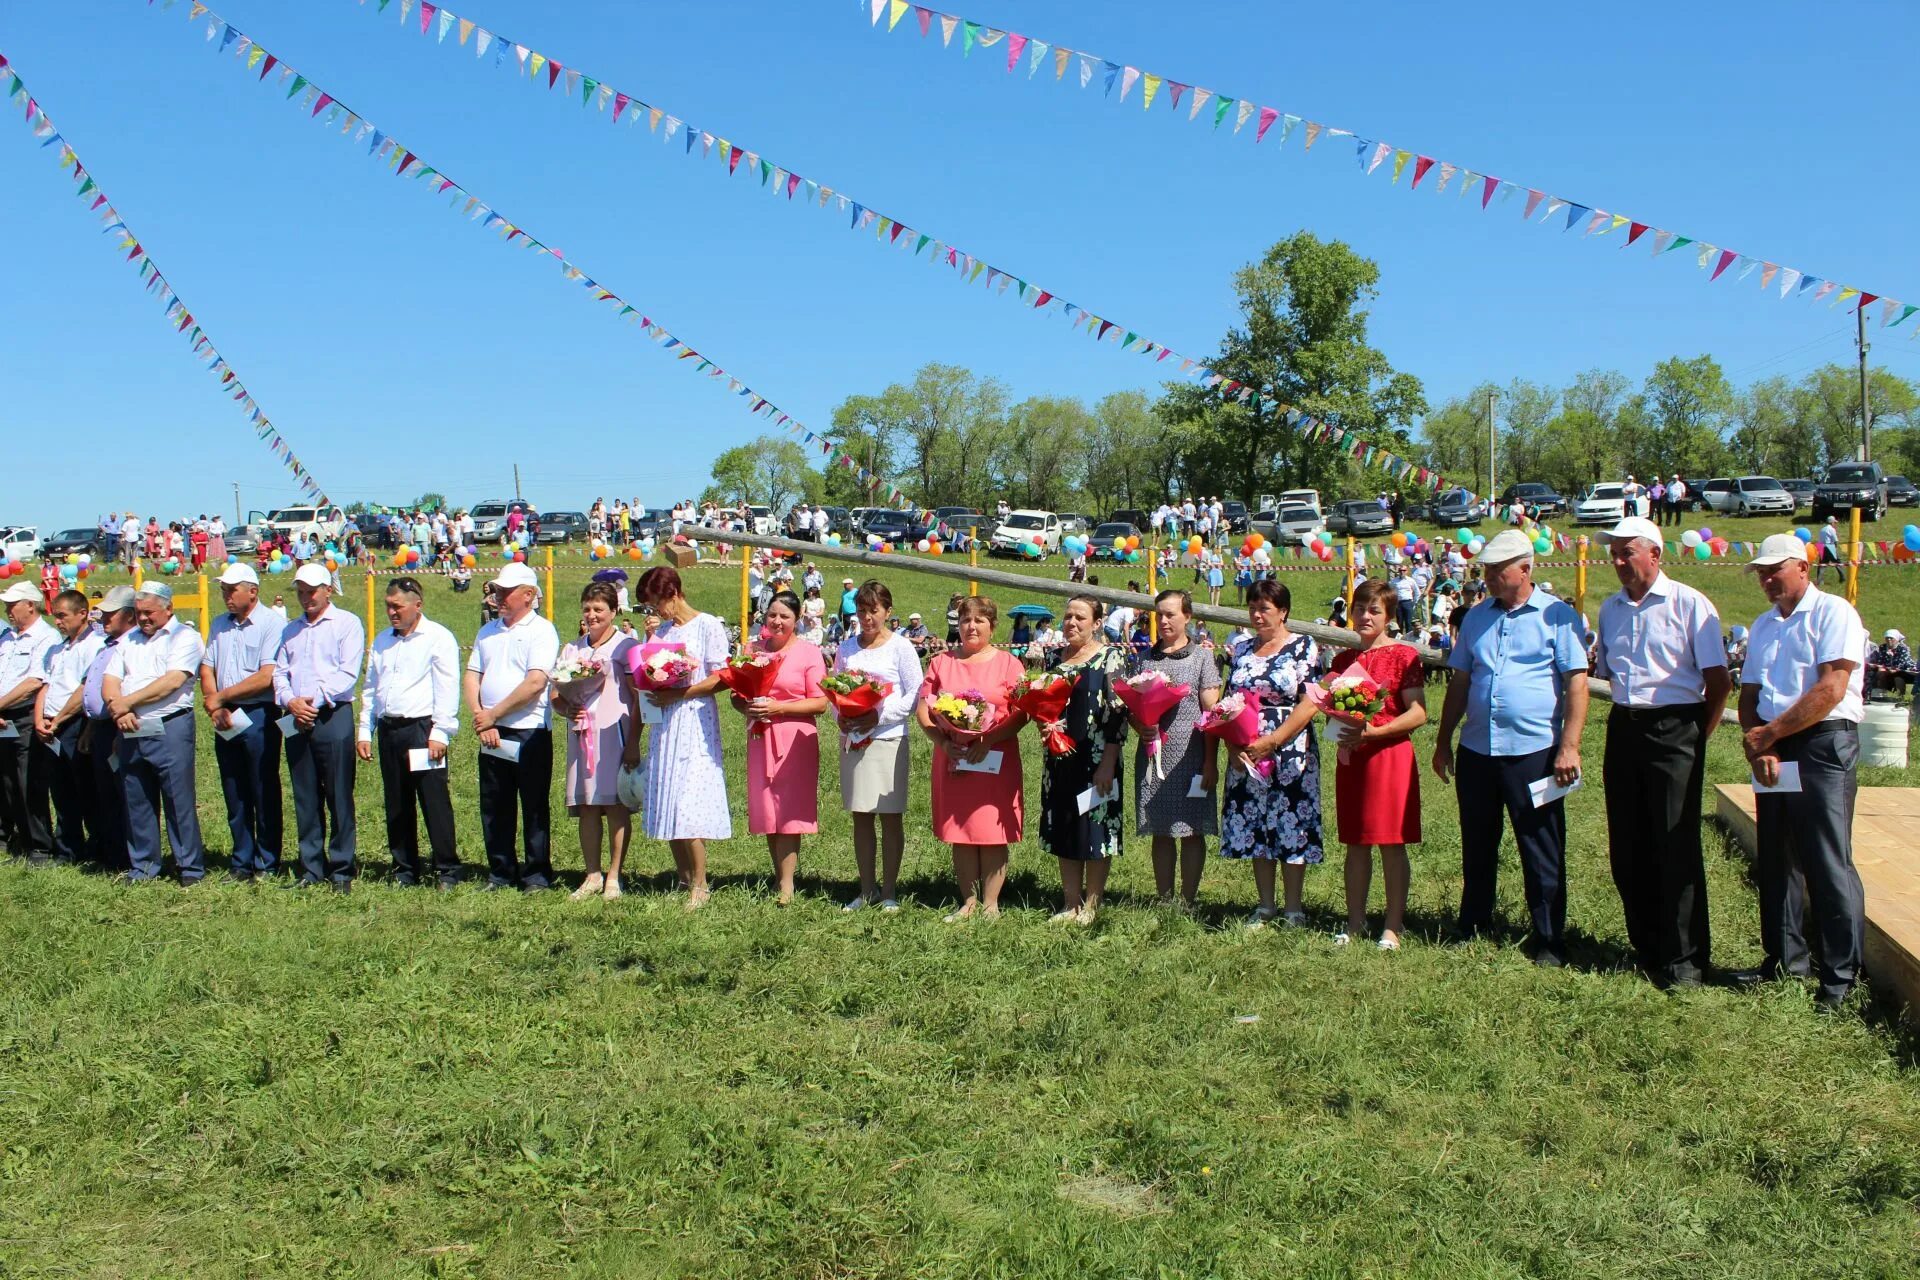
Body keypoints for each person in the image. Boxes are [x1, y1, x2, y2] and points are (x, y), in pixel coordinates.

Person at [1431, 529, 1589, 966]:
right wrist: (1444, 741)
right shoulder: (1478, 617)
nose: (1491, 578)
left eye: (1499, 571)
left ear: (1526, 568)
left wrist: (1569, 746)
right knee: (1478, 841)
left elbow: (1576, 684)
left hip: (1535, 750)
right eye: (1487, 571)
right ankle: (1475, 922)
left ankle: (1549, 938)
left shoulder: (1558, 616)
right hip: (1479, 748)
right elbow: (1460, 682)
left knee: (1540, 844)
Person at [1590, 516, 1731, 989]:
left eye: (1626, 551)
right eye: (1613, 553)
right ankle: (1648, 947)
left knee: (1675, 843)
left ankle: (1686, 960)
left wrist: (1697, 736)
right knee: (1628, 844)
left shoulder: (1689, 604)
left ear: (1655, 553)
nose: (1617, 561)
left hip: (1677, 727)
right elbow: (1609, 675)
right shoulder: (1610, 610)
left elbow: (1717, 682)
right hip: (1625, 726)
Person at [1738, 532, 1870, 1010]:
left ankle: (1840, 977)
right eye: (1761, 573)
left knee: (1826, 859)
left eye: (1775, 570)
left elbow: (1830, 688)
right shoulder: (1764, 624)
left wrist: (1767, 735)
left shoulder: (1835, 613)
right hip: (1775, 742)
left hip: (1822, 741)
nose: (1767, 579)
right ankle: (1784, 961)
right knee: (1776, 857)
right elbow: (1749, 693)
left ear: (1803, 568)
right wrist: (1760, 745)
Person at [1273, 579, 1428, 948]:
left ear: (1389, 616)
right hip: (1351, 757)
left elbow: (1419, 713)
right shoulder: (1342, 661)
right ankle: (1355, 921)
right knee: (1356, 843)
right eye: (1359, 608)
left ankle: (1393, 925)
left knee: (1391, 842)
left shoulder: (1404, 656)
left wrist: (1375, 732)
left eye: (1374, 610)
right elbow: (1325, 706)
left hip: (1389, 756)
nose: (1364, 616)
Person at [1219, 580, 1324, 928]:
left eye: (1264, 608)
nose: (1257, 614)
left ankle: (1293, 907)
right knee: (1255, 823)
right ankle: (1265, 904)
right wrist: (1233, 746)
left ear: (1283, 611)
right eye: (1252, 607)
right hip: (1246, 751)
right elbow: (1226, 702)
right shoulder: (1242, 649)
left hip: (1290, 749)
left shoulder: (1304, 646)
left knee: (1291, 821)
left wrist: (1275, 739)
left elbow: (1311, 702)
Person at [917, 595, 1027, 922]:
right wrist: (943, 742)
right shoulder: (941, 663)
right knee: (962, 830)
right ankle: (967, 901)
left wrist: (989, 738)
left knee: (991, 829)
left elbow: (1022, 713)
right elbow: (924, 709)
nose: (971, 626)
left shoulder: (1009, 664)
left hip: (996, 758)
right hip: (955, 760)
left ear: (992, 626)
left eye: (979, 620)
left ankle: (991, 903)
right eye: (965, 620)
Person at [634, 565, 731, 908]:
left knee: (689, 801)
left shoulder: (707, 625)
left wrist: (682, 692)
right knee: (667, 795)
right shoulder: (660, 632)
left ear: (673, 594)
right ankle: (683, 874)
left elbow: (721, 677)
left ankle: (701, 883)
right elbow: (647, 674)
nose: (656, 611)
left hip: (694, 719)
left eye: (657, 603)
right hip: (664, 722)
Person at [358, 576, 463, 889]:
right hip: (390, 728)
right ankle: (404, 868)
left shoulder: (438, 638)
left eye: (398, 606)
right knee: (397, 802)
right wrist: (366, 729)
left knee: (434, 801)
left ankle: (447, 869)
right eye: (388, 606)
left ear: (417, 605)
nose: (392, 612)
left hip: (422, 729)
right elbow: (371, 688)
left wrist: (440, 733)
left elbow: (447, 687)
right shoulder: (382, 641)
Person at [101, 582, 207, 883]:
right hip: (130, 728)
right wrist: (117, 708)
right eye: (138, 613)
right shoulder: (128, 640)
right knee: (137, 798)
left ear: (168, 609)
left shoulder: (184, 637)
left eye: (149, 612)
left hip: (169, 726)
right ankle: (144, 866)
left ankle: (189, 868)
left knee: (178, 799)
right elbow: (110, 679)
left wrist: (126, 703)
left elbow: (172, 681)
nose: (143, 618)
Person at [465, 562, 560, 892]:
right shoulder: (487, 631)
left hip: (528, 730)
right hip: (491, 730)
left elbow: (535, 683)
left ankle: (536, 874)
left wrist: (495, 714)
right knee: (494, 804)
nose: (499, 597)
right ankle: (501, 872)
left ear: (529, 594)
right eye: (497, 591)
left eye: (506, 592)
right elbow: (472, 675)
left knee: (533, 804)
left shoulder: (541, 631)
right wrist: (481, 716)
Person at [272, 563, 364, 890]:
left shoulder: (347, 624)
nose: (306, 597)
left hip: (331, 714)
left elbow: (347, 673)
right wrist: (290, 701)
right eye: (301, 591)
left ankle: (341, 870)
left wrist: (312, 700)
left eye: (312, 591)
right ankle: (311, 868)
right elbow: (279, 673)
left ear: (328, 589)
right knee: (305, 795)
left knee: (339, 793)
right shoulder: (290, 629)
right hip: (296, 717)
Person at [732, 590, 827, 904]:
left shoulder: (809, 653)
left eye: (784, 616)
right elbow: (736, 693)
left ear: (797, 620)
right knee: (769, 809)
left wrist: (779, 708)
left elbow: (820, 703)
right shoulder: (752, 649)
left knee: (787, 811)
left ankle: (786, 884)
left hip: (794, 740)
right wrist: (746, 707)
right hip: (760, 737)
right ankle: (778, 876)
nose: (777, 621)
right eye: (772, 615)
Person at [834, 581, 924, 912]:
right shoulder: (846, 649)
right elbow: (835, 687)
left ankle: (889, 892)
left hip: (888, 739)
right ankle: (866, 888)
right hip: (854, 741)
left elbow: (915, 694)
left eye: (874, 611)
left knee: (889, 816)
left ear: (887, 611)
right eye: (862, 611)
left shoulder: (901, 648)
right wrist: (841, 716)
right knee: (860, 815)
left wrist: (878, 716)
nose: (868, 618)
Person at [1039, 596, 1128, 923]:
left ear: (1096, 623)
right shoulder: (1054, 658)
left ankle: (1091, 906)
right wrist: (1044, 724)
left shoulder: (1111, 657)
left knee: (1096, 828)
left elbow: (1119, 713)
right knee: (1065, 825)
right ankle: (1069, 903)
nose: (1072, 623)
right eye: (1067, 617)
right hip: (1059, 758)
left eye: (1080, 617)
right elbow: (1044, 703)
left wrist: (1109, 761)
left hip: (1097, 758)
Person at [1131, 590, 1222, 908]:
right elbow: (1134, 707)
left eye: (1170, 614)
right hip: (1154, 757)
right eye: (1159, 614)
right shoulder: (1145, 658)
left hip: (1192, 755)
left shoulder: (1202, 658)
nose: (1164, 620)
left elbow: (1212, 715)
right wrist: (1140, 725)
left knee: (1192, 830)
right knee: (1161, 830)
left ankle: (1188, 898)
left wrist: (1210, 761)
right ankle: (1165, 897)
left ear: (1188, 617)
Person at [553, 580, 640, 900]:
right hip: (581, 736)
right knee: (587, 806)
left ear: (614, 612)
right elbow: (555, 696)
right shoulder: (572, 649)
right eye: (587, 609)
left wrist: (633, 741)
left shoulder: (626, 647)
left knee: (614, 805)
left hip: (613, 734)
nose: (592, 615)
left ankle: (614, 876)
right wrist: (568, 708)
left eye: (599, 610)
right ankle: (592, 874)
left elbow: (636, 698)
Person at [200, 564, 285, 882]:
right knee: (234, 789)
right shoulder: (220, 624)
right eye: (223, 590)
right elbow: (207, 667)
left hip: (258, 714)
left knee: (262, 788)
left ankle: (267, 861)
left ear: (253, 591)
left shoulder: (271, 624)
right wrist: (216, 704)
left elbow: (266, 677)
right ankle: (241, 861)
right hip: (224, 713)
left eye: (231, 590)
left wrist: (220, 699)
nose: (226, 596)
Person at [31, 589, 103, 864]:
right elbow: (45, 684)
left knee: (86, 789)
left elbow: (85, 689)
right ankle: (68, 848)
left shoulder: (94, 645)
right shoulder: (58, 648)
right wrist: (40, 720)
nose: (57, 622)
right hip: (51, 725)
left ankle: (97, 847)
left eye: (62, 616)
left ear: (82, 613)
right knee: (61, 791)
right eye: (55, 616)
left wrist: (60, 719)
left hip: (74, 723)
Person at [78, 586, 137, 869]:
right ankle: (111, 854)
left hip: (120, 726)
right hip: (100, 727)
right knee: (105, 794)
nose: (104, 617)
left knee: (123, 794)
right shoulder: (107, 644)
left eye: (111, 613)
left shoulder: (132, 645)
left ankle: (128, 858)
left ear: (129, 615)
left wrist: (117, 731)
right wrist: (91, 726)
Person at [0, 580, 57, 861]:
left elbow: (35, 681)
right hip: (3, 716)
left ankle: (40, 846)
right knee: (8, 781)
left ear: (30, 606)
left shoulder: (46, 638)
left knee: (28, 781)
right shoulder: (8, 637)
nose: (7, 609)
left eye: (13, 605)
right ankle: (21, 841)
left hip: (24, 715)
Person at [1867, 629, 1915, 699]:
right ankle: (1878, 695)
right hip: (1888, 669)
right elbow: (1880, 661)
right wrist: (1882, 667)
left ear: (1896, 639)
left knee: (1898, 677)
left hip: (1903, 670)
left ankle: (1900, 697)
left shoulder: (1903, 648)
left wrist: (1891, 659)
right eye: (1887, 638)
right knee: (1877, 673)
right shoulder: (1882, 647)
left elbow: (1903, 663)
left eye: (1891, 638)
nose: (1889, 640)